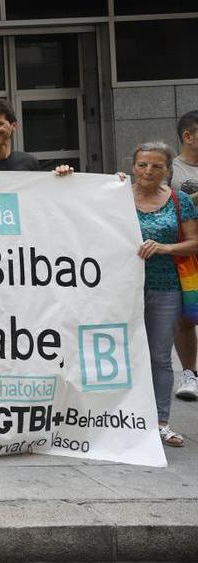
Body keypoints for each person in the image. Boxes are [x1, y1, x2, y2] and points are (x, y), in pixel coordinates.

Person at [129, 141, 196, 447]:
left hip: (165, 287)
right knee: (124, 354)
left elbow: (194, 243)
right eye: (143, 164)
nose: (148, 171)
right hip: (122, 289)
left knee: (159, 357)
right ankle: (122, 420)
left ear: (168, 170)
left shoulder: (180, 200)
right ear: (133, 167)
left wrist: (165, 248)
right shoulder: (115, 196)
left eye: (157, 166)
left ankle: (160, 422)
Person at [171, 110, 198, 402]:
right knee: (187, 318)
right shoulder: (171, 170)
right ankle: (189, 374)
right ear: (188, 137)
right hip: (188, 255)